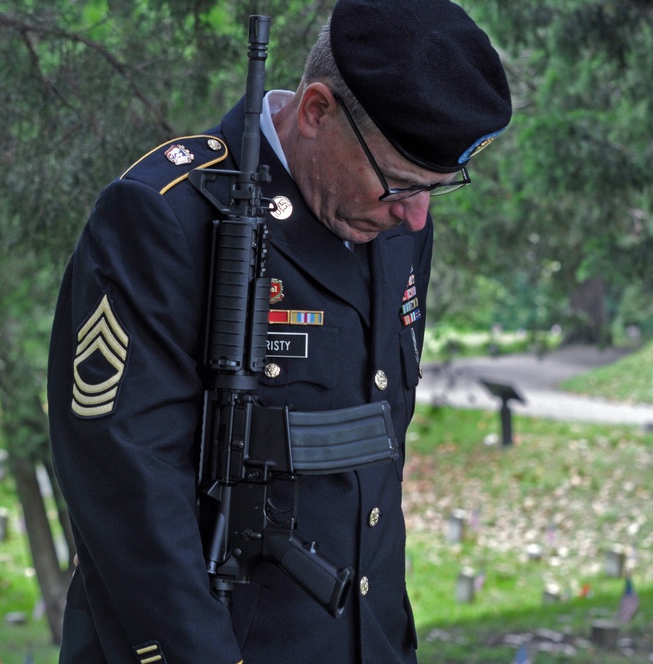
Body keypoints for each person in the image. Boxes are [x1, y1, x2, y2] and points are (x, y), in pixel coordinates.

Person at [46, 1, 512, 662]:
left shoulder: (390, 222)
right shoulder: (165, 216)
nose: (416, 216)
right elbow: (127, 493)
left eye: (438, 187)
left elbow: (376, 459)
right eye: (399, 184)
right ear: (317, 110)